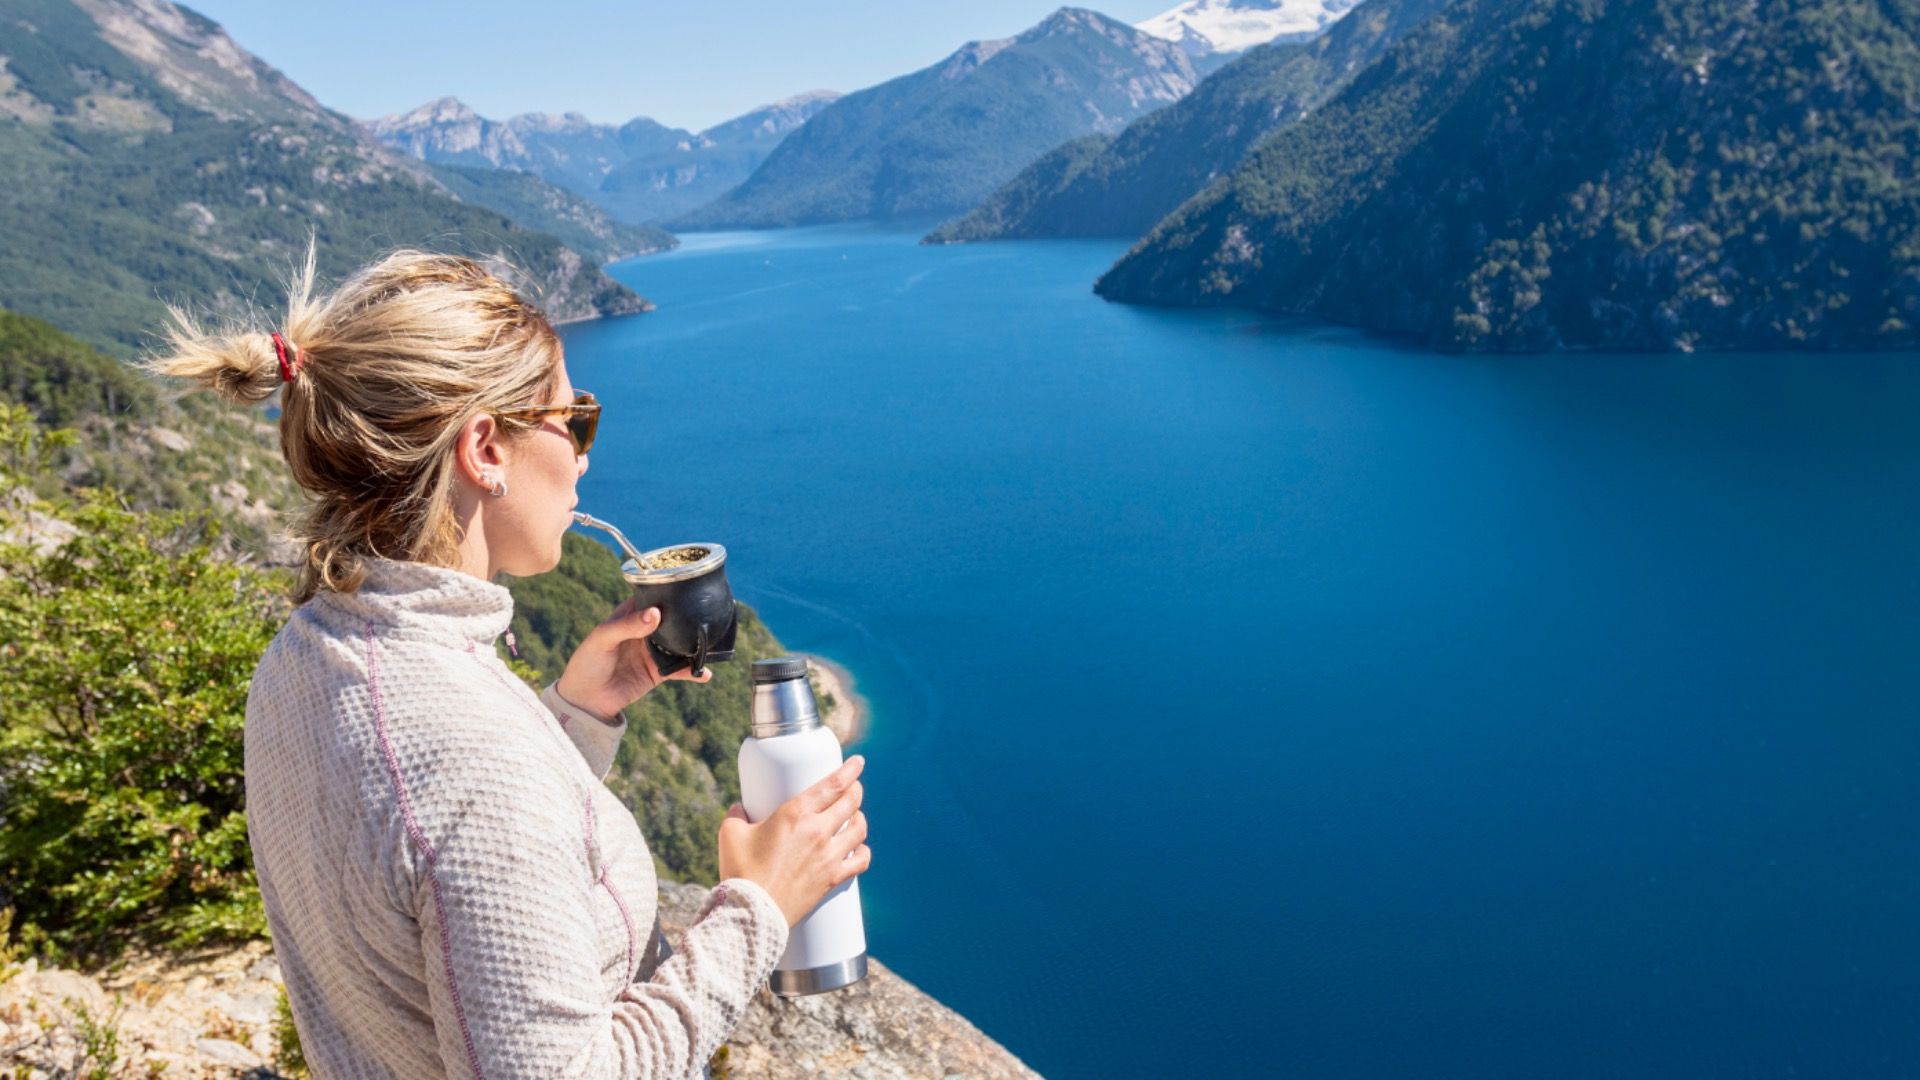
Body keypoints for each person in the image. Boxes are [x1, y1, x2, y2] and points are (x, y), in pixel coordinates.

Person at [148, 248, 871, 1078]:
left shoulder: (304, 655)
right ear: (485, 448)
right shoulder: (471, 758)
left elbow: (422, 874)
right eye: (575, 421)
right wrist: (758, 910)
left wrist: (574, 718)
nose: (586, 456)